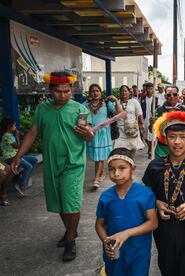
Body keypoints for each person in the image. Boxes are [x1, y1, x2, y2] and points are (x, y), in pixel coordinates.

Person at [11, 71, 94, 261]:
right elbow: (32, 133)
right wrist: (18, 156)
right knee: (60, 204)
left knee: (71, 203)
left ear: (71, 90)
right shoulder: (42, 109)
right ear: (50, 90)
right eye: (58, 92)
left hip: (73, 163)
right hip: (51, 163)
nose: (63, 95)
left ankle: (71, 240)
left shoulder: (79, 109)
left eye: (66, 91)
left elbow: (89, 136)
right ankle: (69, 231)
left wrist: (86, 133)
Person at [143, 111, 185, 276]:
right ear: (164, 139)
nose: (177, 142)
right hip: (165, 230)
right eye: (172, 136)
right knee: (168, 266)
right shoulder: (154, 166)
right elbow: (146, 193)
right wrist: (158, 203)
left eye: (182, 136)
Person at [95, 148, 158, 276]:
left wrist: (127, 233)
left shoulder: (145, 194)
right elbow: (99, 224)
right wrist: (106, 242)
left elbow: (153, 222)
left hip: (138, 252)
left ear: (132, 168)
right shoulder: (106, 197)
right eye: (112, 169)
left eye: (122, 168)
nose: (116, 173)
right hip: (114, 252)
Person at [84, 84, 121, 189]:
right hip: (91, 134)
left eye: (97, 91)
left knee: (100, 158)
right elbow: (81, 117)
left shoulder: (107, 104)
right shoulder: (85, 105)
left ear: (101, 92)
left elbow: (119, 114)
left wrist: (116, 101)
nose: (95, 93)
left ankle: (96, 179)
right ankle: (99, 175)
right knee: (96, 157)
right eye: (92, 91)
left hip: (103, 134)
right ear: (89, 93)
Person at [1, 118, 38, 196]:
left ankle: (22, 181)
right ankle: (22, 184)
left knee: (34, 160)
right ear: (9, 126)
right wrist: (17, 136)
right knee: (29, 166)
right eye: (14, 125)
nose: (15, 127)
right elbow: (18, 146)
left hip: (16, 156)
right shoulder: (7, 136)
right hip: (10, 158)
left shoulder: (10, 135)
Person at [153, 86, 185, 158]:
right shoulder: (158, 111)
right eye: (169, 95)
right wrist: (152, 124)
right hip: (163, 148)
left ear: (178, 95)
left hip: (180, 147)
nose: (172, 97)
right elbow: (151, 130)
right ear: (165, 96)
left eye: (175, 94)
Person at [114, 85, 145, 156]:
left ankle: (131, 165)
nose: (124, 93)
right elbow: (116, 115)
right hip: (120, 130)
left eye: (125, 91)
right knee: (121, 152)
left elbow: (139, 114)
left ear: (129, 93)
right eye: (122, 91)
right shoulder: (117, 103)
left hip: (132, 129)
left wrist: (142, 124)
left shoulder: (134, 102)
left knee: (132, 153)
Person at [140, 82, 158, 159]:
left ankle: (151, 150)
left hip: (152, 119)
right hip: (144, 119)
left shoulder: (155, 99)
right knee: (145, 136)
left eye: (151, 89)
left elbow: (158, 109)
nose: (150, 90)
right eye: (148, 89)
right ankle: (150, 147)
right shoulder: (142, 99)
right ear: (146, 90)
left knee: (152, 135)